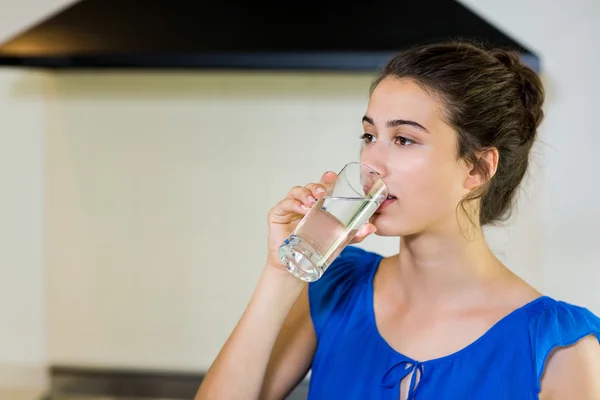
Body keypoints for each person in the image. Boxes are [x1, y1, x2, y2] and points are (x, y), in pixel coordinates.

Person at [195, 42, 600, 400]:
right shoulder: (337, 288)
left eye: (404, 139)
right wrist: (281, 272)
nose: (371, 162)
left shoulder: (557, 346)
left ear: (476, 168)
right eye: (370, 136)